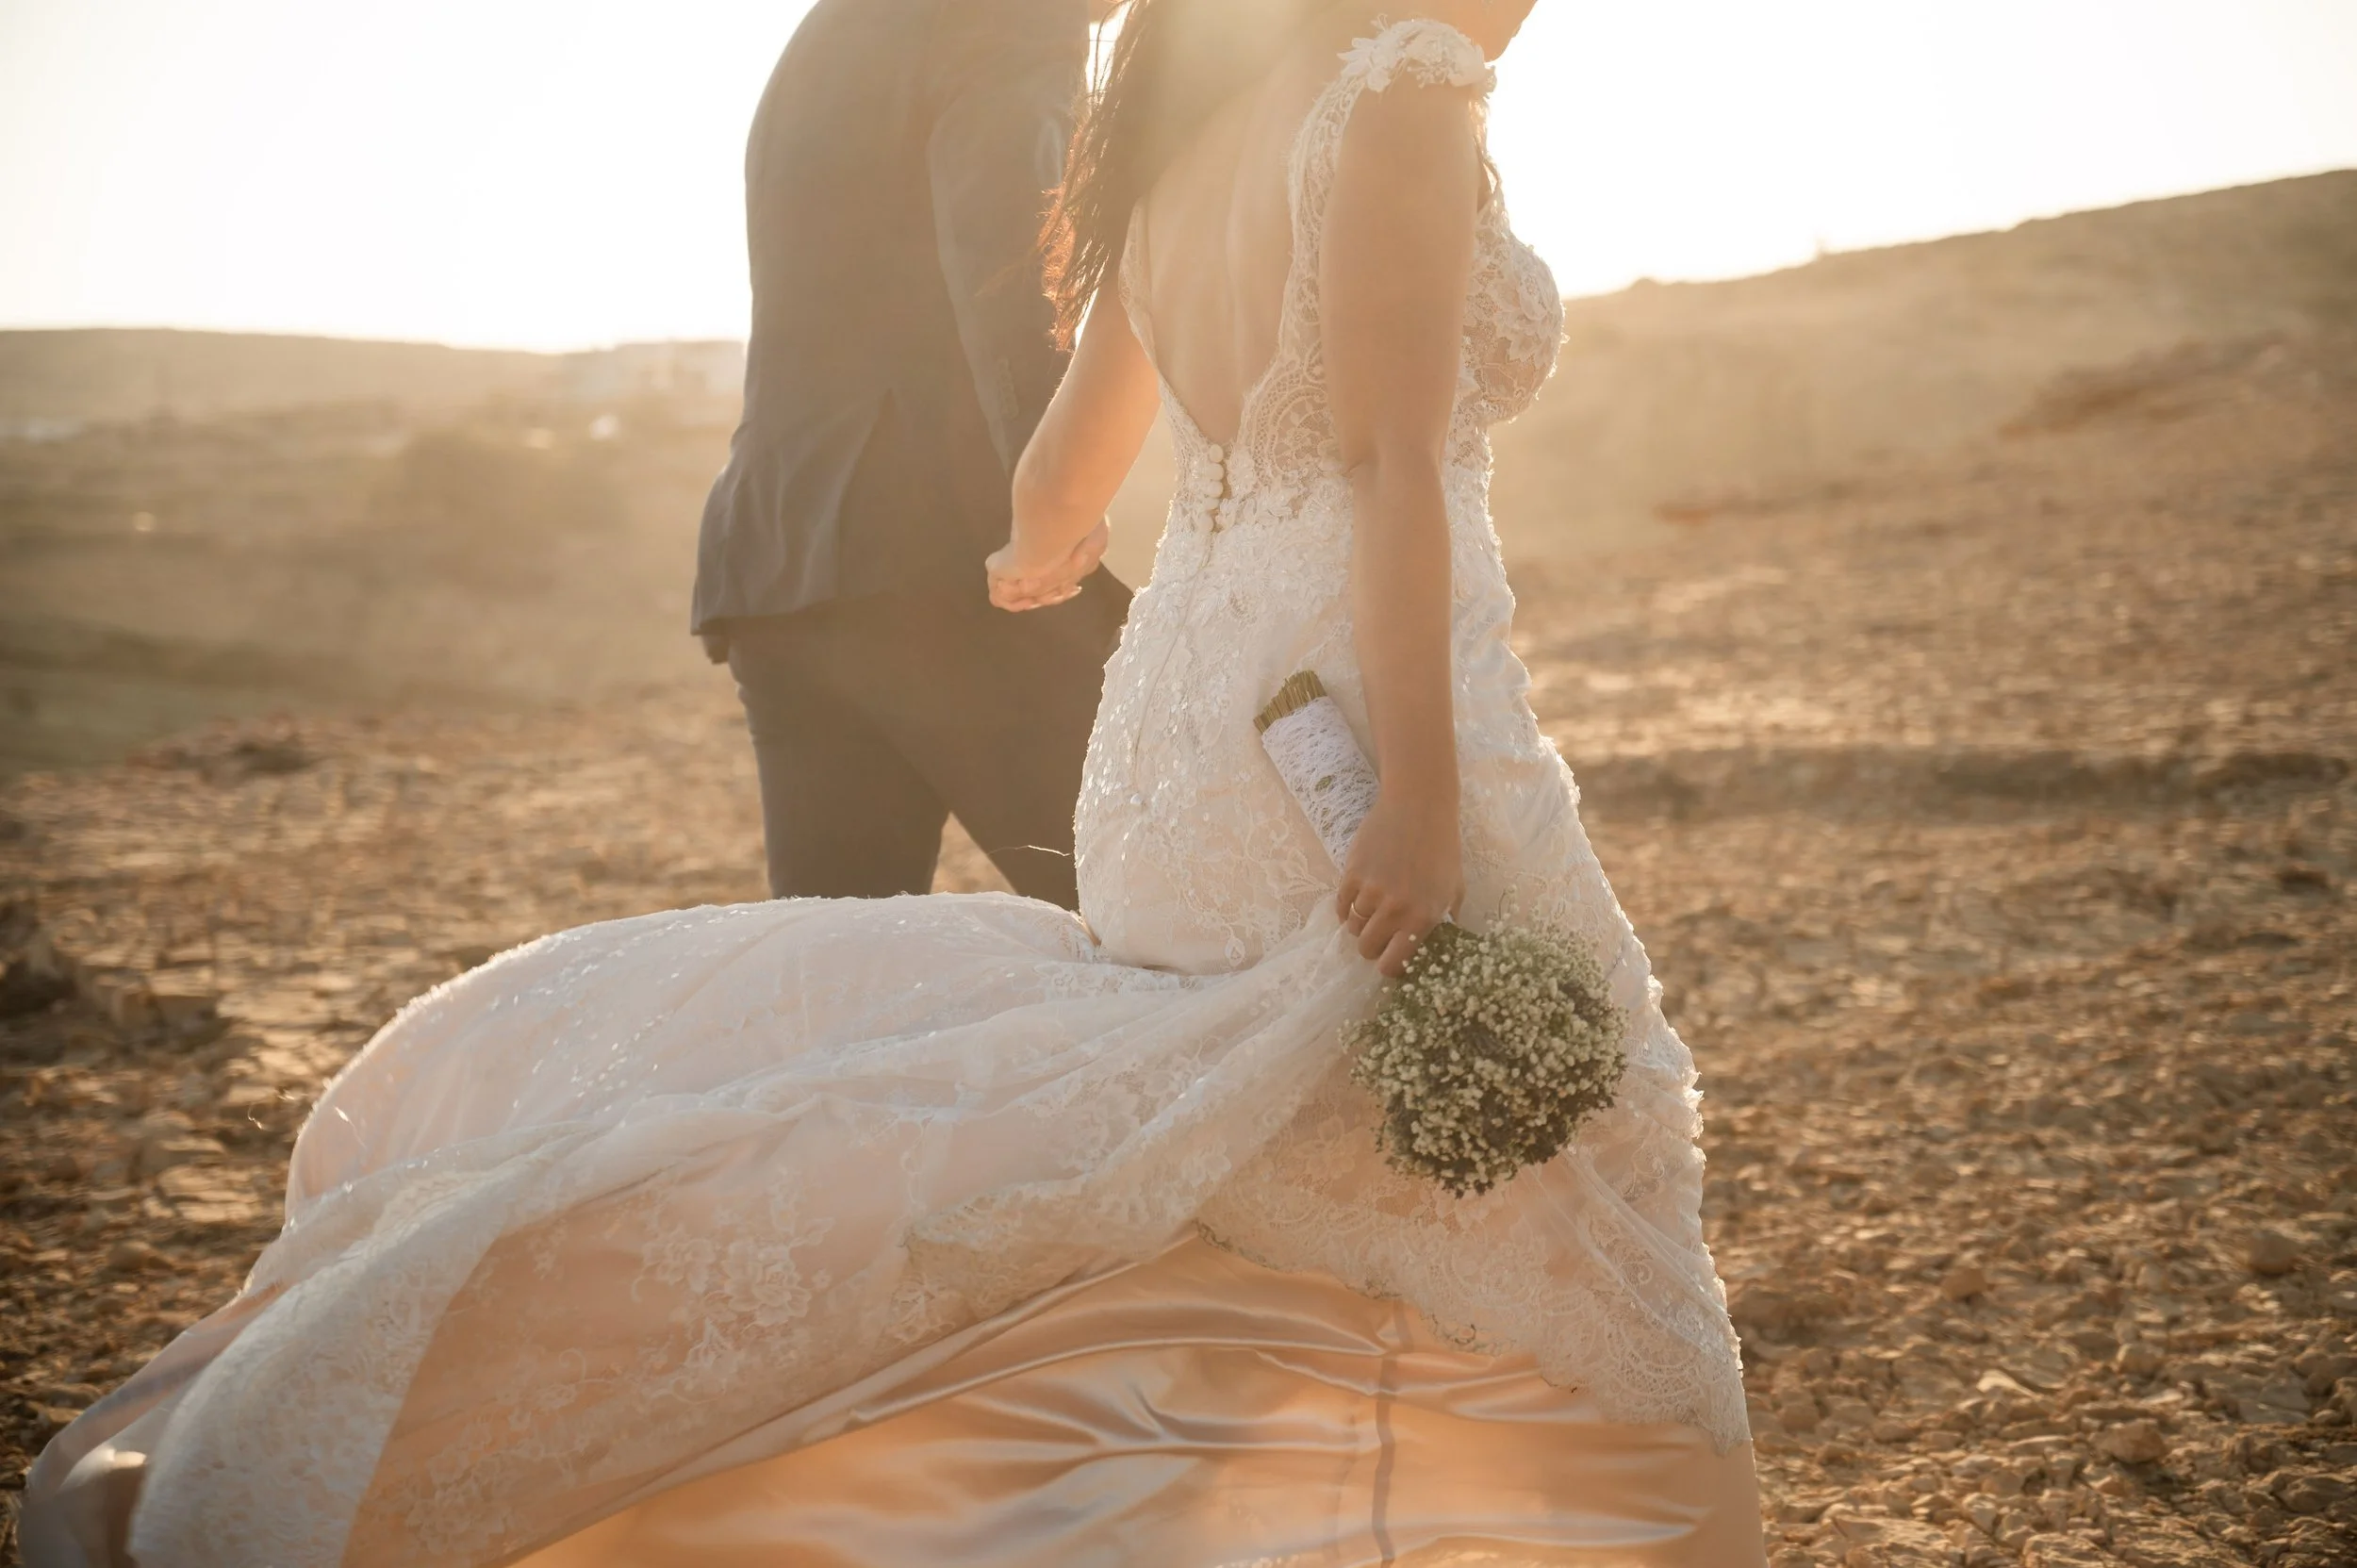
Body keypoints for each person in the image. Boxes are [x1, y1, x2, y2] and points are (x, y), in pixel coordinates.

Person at [25, 3, 1770, 1563]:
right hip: (1350, 722)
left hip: (1181, 746)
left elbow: (1059, 471)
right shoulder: (1403, 90)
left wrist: (1045, 544)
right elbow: (1391, 467)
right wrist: (1422, 804)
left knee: (1249, 1140)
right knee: (1539, 1130)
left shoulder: (1167, 118)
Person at [693, 0, 1130, 908]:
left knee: (842, 992)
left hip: (780, 565)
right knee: (1155, 928)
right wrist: (1052, 506)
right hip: (953, 572)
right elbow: (1010, 277)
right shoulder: (1016, 22)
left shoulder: (836, 27)